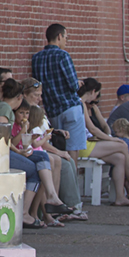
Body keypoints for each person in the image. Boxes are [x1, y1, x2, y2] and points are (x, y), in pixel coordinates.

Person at [0, 79, 61, 229]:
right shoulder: (4, 109)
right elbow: (1, 138)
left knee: (42, 156)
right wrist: (18, 151)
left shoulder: (4, 108)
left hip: (4, 151)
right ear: (20, 97)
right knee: (33, 170)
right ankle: (25, 214)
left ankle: (52, 196)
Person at [22, 78, 86, 221]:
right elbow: (36, 139)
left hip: (42, 146)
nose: (39, 99)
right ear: (25, 95)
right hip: (36, 148)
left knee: (66, 162)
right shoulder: (27, 112)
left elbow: (43, 131)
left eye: (40, 95)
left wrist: (57, 131)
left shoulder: (37, 110)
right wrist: (59, 151)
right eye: (36, 95)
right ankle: (65, 206)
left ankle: (59, 203)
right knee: (60, 161)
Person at [77, 78, 129, 206]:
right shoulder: (80, 103)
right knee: (122, 144)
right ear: (93, 91)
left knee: (119, 158)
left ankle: (120, 197)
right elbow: (92, 128)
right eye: (97, 95)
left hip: (87, 142)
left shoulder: (81, 103)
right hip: (82, 145)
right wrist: (111, 138)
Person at [31, 24, 87, 159]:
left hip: (52, 111)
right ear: (59, 36)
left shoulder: (36, 58)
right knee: (73, 149)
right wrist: (78, 82)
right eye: (66, 38)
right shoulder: (63, 55)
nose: (66, 41)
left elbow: (37, 85)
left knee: (58, 146)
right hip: (69, 107)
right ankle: (72, 178)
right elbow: (73, 85)